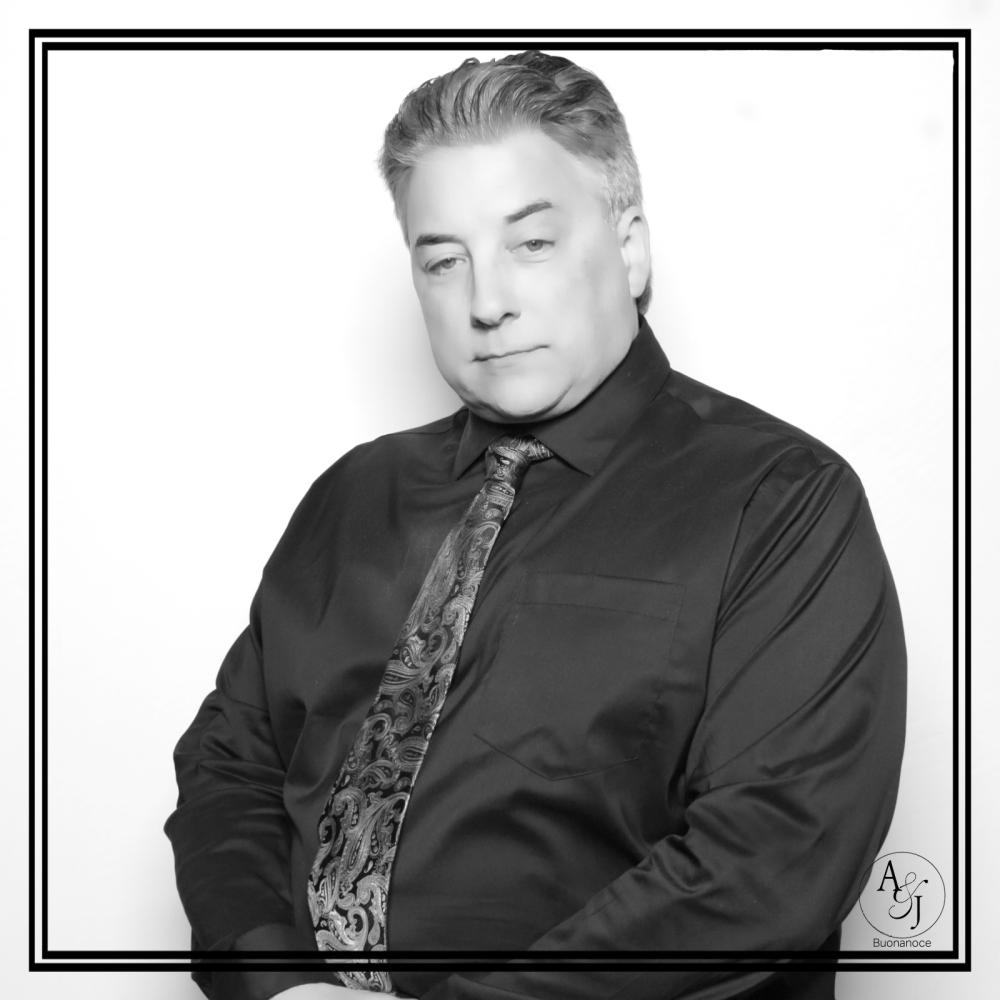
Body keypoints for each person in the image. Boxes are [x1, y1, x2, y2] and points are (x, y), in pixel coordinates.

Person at [166, 50, 907, 1000]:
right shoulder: (353, 496)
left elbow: (772, 859)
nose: (487, 302)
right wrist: (274, 980)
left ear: (630, 248)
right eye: (444, 260)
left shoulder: (783, 501)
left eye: (532, 243)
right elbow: (232, 764)